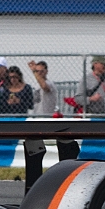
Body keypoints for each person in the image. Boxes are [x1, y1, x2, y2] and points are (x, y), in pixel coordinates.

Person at [23, 60, 77, 190]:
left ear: (46, 72)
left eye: (41, 71)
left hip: (47, 119)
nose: (39, 74)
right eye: (37, 71)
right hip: (36, 119)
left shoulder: (49, 84)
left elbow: (44, 86)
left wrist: (34, 72)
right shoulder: (35, 87)